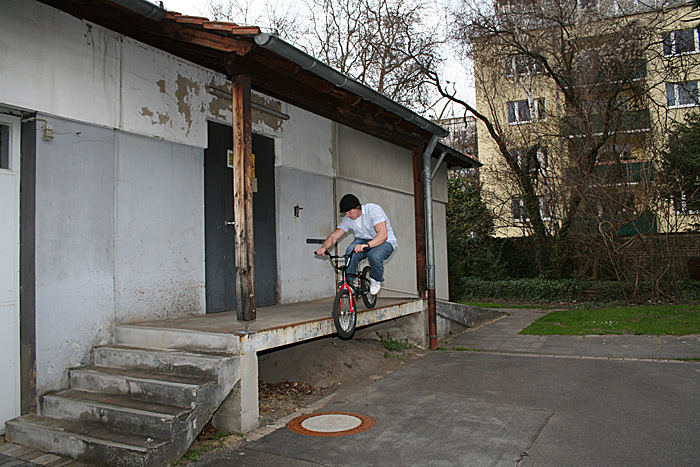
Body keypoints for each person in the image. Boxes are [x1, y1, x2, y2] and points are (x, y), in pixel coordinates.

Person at [315, 194, 397, 295]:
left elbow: (383, 235)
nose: (347, 215)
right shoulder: (348, 219)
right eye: (346, 212)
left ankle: (375, 279)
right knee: (350, 251)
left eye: (350, 211)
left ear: (358, 207)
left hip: (385, 241)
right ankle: (349, 282)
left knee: (374, 255)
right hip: (363, 240)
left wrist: (366, 245)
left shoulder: (373, 210)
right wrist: (324, 247)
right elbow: (333, 237)